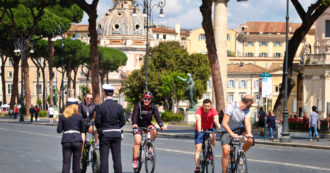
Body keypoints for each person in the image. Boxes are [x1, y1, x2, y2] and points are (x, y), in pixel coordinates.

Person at [95, 84, 126, 173]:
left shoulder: (100, 107)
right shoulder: (119, 106)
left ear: (104, 93)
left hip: (105, 134)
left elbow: (97, 122)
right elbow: (123, 121)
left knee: (104, 158)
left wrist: (103, 128)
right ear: (112, 93)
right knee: (117, 158)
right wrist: (116, 127)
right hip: (116, 133)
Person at [132, 91, 166, 169]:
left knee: (154, 130)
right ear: (143, 98)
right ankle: (134, 160)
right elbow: (134, 116)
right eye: (145, 98)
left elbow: (157, 117)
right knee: (137, 141)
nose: (146, 100)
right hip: (138, 125)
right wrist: (134, 124)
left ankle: (150, 143)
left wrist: (161, 125)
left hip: (148, 124)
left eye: (149, 99)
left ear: (151, 100)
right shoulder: (138, 106)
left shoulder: (153, 106)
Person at [221, 95, 254, 173]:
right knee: (226, 151)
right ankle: (224, 171)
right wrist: (231, 133)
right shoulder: (231, 107)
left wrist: (249, 133)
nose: (251, 106)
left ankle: (241, 153)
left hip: (239, 129)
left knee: (250, 140)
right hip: (227, 130)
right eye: (252, 104)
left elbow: (247, 122)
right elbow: (224, 123)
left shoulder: (247, 110)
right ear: (249, 103)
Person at [57, 98, 85, 173]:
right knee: (76, 164)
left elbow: (59, 130)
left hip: (66, 140)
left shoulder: (63, 116)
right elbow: (83, 129)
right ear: (75, 106)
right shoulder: (79, 116)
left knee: (66, 163)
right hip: (77, 140)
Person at [194, 99, 221, 173]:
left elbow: (216, 121)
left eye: (208, 106)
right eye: (205, 106)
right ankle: (197, 167)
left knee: (213, 136)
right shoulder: (199, 110)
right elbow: (198, 119)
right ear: (203, 105)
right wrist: (199, 128)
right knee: (198, 149)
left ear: (210, 106)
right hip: (200, 129)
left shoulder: (213, 111)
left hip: (209, 129)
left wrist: (221, 129)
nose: (207, 107)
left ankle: (210, 151)